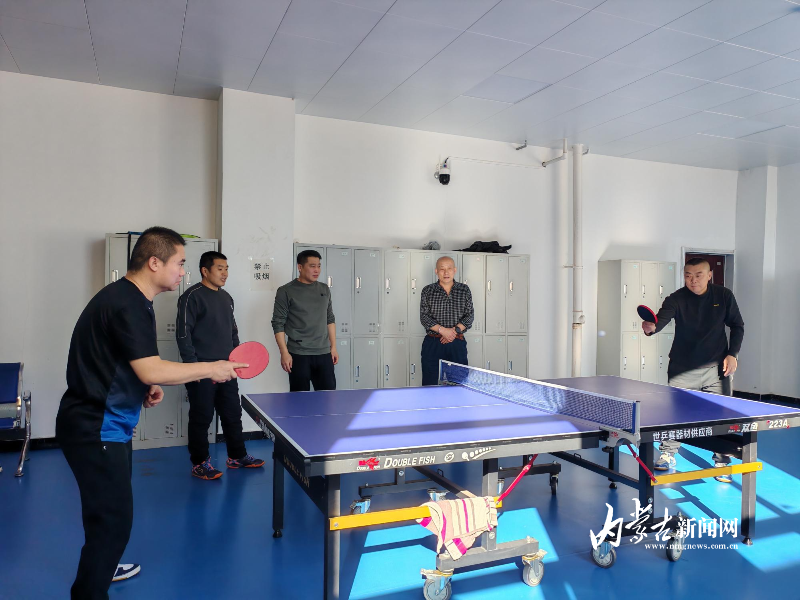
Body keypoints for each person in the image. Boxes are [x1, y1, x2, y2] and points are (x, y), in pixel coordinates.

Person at [56, 227, 245, 599]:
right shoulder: (128, 303)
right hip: (96, 428)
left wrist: (142, 386)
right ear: (154, 262)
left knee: (106, 514)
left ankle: (103, 565)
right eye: (180, 263)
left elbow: (119, 361)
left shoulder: (130, 299)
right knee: (114, 520)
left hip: (107, 424)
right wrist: (211, 367)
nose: (183, 272)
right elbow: (151, 367)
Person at [643, 257, 744, 482]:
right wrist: (651, 328)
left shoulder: (724, 296)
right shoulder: (676, 299)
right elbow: (659, 321)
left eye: (698, 275)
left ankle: (721, 457)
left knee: (720, 415)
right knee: (676, 415)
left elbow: (737, 325)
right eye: (688, 275)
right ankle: (668, 453)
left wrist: (733, 354)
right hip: (682, 369)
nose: (693, 280)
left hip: (717, 370)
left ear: (709, 276)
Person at [177, 251, 264, 480]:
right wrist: (192, 368)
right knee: (202, 417)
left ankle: (237, 456)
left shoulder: (226, 298)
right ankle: (199, 463)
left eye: (226, 268)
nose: (225, 273)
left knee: (232, 414)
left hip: (226, 368)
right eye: (220, 268)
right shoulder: (191, 296)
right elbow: (183, 335)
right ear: (205, 271)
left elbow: (233, 332)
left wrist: (236, 362)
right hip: (202, 369)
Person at [271, 250, 338, 391]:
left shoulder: (324, 289)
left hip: (323, 353)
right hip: (298, 354)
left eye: (319, 266)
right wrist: (284, 352)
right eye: (312, 266)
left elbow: (330, 318)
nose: (317, 270)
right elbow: (278, 323)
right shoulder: (285, 291)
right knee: (300, 399)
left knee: (328, 397)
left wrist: (333, 347)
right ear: (300, 267)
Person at [420, 256, 474, 386]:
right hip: (433, 343)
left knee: (459, 383)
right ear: (436, 271)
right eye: (442, 269)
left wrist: (453, 332)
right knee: (429, 383)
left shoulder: (464, 290)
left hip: (457, 343)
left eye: (449, 268)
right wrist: (442, 331)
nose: (446, 272)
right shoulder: (427, 290)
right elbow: (424, 317)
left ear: (454, 270)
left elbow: (469, 316)